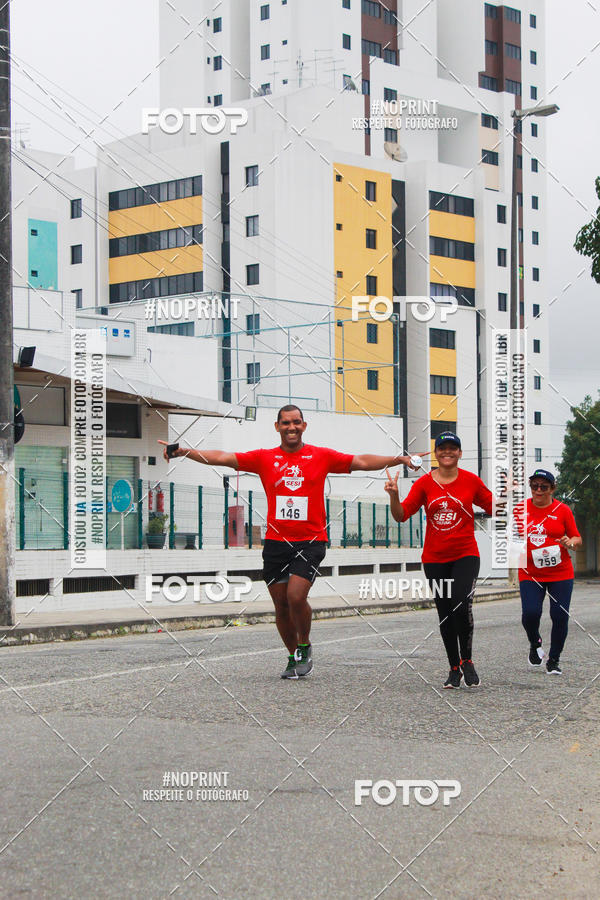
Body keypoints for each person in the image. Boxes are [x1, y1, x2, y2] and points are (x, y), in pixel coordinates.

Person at [159, 405, 423, 679]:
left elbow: (361, 462)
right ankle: (292, 655)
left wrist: (398, 459)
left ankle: (305, 645)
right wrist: (183, 451)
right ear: (277, 427)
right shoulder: (264, 458)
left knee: (296, 596)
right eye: (286, 423)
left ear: (304, 426)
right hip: (275, 542)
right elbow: (223, 457)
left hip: (310, 540)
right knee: (281, 605)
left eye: (296, 422)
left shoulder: (320, 456)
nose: (291, 427)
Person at [385, 431, 493, 689]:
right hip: (434, 559)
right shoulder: (423, 484)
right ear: (436, 453)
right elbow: (401, 515)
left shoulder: (471, 481)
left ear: (459, 453)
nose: (447, 452)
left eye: (452, 448)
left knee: (460, 604)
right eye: (442, 448)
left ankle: (467, 660)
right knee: (445, 613)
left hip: (465, 554)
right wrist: (393, 495)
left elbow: (494, 507)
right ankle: (453, 668)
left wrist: (506, 493)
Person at [515, 469, 581, 675]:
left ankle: (553, 659)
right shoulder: (520, 509)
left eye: (544, 487)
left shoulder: (563, 510)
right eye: (534, 486)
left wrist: (570, 542)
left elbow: (577, 538)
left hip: (560, 572)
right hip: (530, 572)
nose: (538, 490)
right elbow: (510, 537)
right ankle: (535, 643)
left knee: (560, 616)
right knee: (530, 614)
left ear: (552, 489)